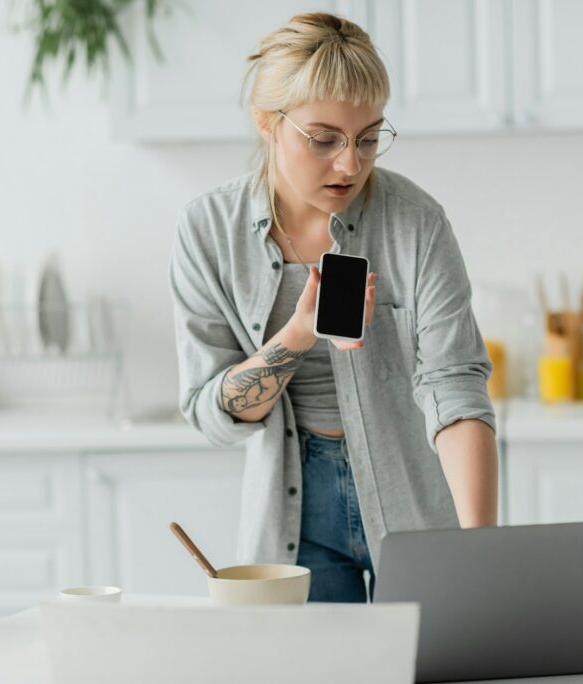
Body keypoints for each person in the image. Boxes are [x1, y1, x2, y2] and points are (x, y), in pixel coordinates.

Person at [170, 12, 497, 603]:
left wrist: (481, 547)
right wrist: (297, 334)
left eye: (369, 137)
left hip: (413, 500)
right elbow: (209, 414)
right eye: (324, 139)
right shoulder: (207, 231)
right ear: (267, 123)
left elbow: (455, 384)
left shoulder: (415, 221)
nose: (351, 164)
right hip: (293, 521)